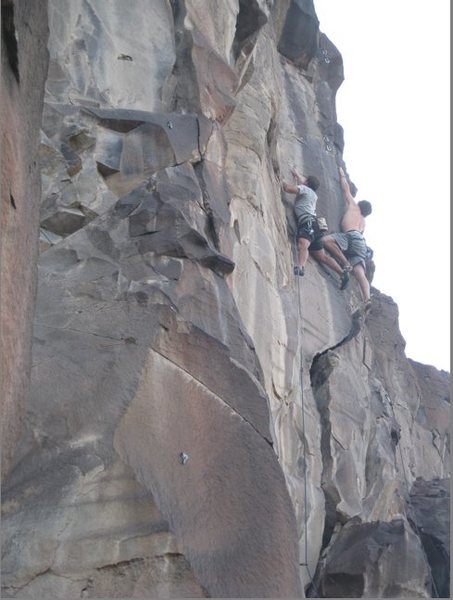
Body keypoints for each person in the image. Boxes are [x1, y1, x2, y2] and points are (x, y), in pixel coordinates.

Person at [282, 168, 351, 289]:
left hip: (308, 223)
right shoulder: (313, 194)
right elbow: (305, 182)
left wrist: (282, 180)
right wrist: (297, 175)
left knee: (303, 244)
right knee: (321, 256)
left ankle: (300, 266)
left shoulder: (305, 189)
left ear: (307, 183)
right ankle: (342, 273)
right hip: (315, 226)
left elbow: (288, 189)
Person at [322, 166, 373, 310]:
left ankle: (345, 263)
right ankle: (367, 299)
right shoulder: (363, 222)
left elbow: (345, 190)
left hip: (350, 235)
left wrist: (342, 175)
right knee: (360, 273)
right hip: (361, 242)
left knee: (326, 241)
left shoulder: (354, 206)